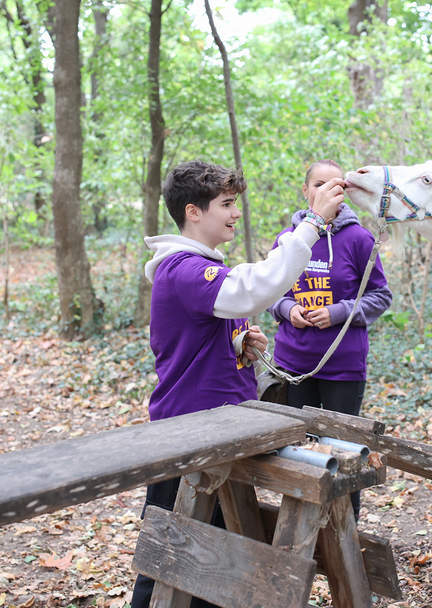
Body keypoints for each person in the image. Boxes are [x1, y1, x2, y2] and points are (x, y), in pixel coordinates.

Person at [132, 158, 345, 608]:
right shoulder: (185, 269)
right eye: (226, 204)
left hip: (219, 430)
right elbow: (252, 288)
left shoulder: (200, 266)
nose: (235, 213)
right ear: (193, 212)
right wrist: (310, 225)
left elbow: (193, 337)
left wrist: (236, 344)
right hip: (188, 433)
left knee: (215, 561)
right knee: (166, 561)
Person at [267, 159, 392, 521]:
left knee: (344, 454)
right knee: (296, 453)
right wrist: (287, 308)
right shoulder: (288, 240)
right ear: (305, 191)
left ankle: (344, 531)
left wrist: (338, 312)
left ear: (344, 193)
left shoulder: (359, 239)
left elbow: (380, 296)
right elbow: (268, 290)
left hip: (342, 367)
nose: (326, 191)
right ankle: (299, 528)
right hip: (292, 367)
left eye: (334, 184)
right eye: (318, 184)